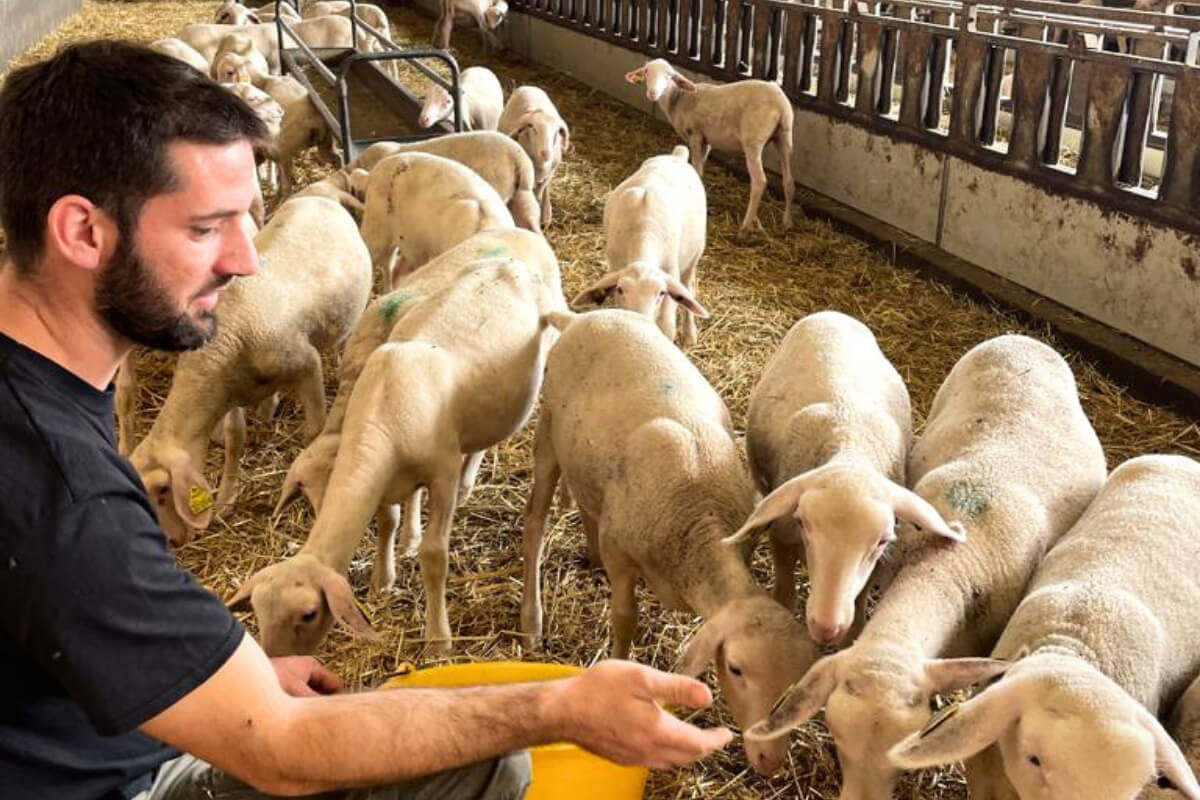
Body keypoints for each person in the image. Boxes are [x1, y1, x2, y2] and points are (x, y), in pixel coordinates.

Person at [0, 40, 733, 800]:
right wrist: (556, 708)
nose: (249, 260)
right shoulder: (67, 493)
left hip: (91, 743)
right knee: (489, 761)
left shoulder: (40, 401)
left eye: (246, 220)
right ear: (83, 232)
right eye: (205, 228)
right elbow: (280, 753)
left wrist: (208, 679)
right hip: (129, 786)